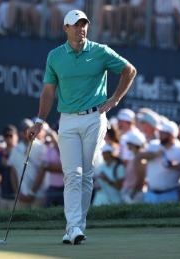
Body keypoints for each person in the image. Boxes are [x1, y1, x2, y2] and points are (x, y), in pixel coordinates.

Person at [29, 9, 136, 245]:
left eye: (84, 24)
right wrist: (39, 121)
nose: (81, 29)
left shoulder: (100, 51)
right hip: (66, 120)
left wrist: (115, 99)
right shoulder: (55, 56)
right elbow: (48, 91)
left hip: (94, 118)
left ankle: (76, 227)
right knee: (73, 175)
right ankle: (74, 227)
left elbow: (130, 70)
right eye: (76, 25)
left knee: (86, 175)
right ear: (66, 29)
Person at [138, 119, 180, 203]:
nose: (159, 135)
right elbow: (140, 156)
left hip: (171, 194)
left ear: (171, 135)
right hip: (151, 193)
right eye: (160, 132)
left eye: (163, 133)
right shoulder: (153, 144)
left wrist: (175, 165)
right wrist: (155, 155)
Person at [0, 125, 19, 211]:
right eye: (6, 136)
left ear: (16, 136)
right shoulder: (0, 154)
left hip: (19, 197)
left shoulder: (21, 152)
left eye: (11, 135)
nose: (9, 138)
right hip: (3, 197)